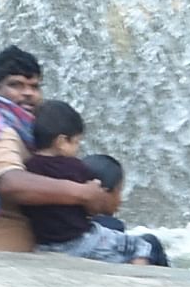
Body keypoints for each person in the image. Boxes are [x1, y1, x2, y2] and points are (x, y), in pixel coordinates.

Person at [0, 43, 117, 251]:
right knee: (143, 247)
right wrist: (83, 192)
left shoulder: (6, 125)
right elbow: (10, 184)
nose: (28, 93)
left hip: (6, 251)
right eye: (16, 85)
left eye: (34, 86)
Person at [19, 100, 168, 265]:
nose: (77, 148)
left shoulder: (28, 168)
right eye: (76, 142)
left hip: (45, 246)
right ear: (61, 142)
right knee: (144, 245)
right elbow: (93, 206)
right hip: (81, 243)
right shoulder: (75, 168)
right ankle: (138, 279)